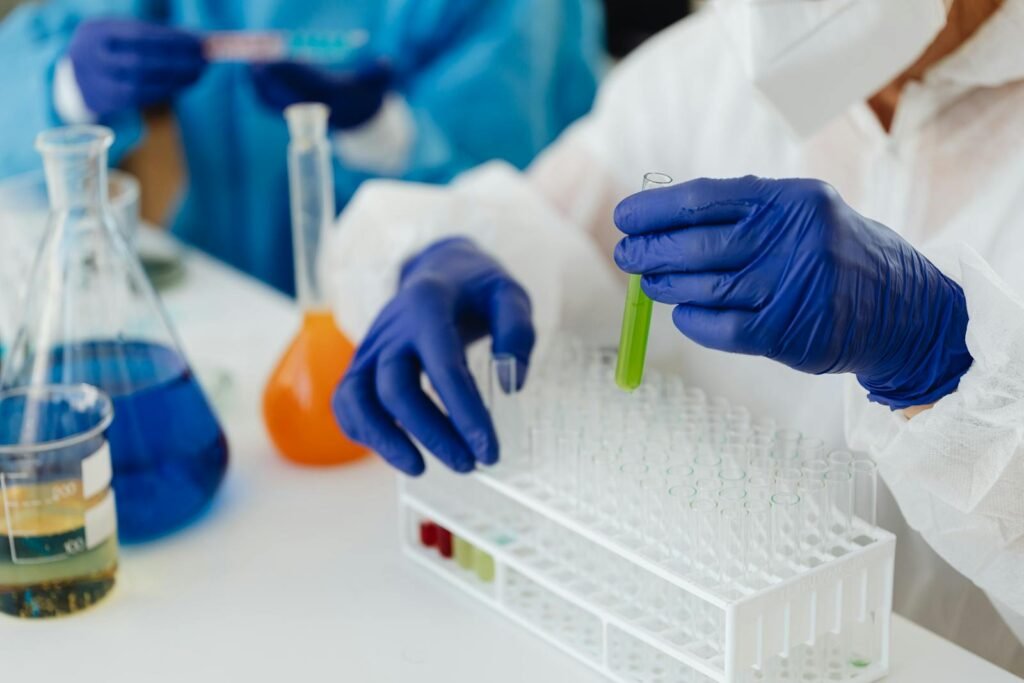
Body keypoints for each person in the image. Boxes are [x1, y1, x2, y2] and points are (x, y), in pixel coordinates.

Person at [325, 0, 1024, 674]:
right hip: (671, 637)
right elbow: (544, 222)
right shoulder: (701, 72)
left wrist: (941, 356)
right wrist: (440, 254)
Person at [0, 0, 604, 293]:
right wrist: (69, 84)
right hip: (218, 284)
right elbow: (17, 77)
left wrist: (382, 131)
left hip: (407, 309)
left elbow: (510, 196)